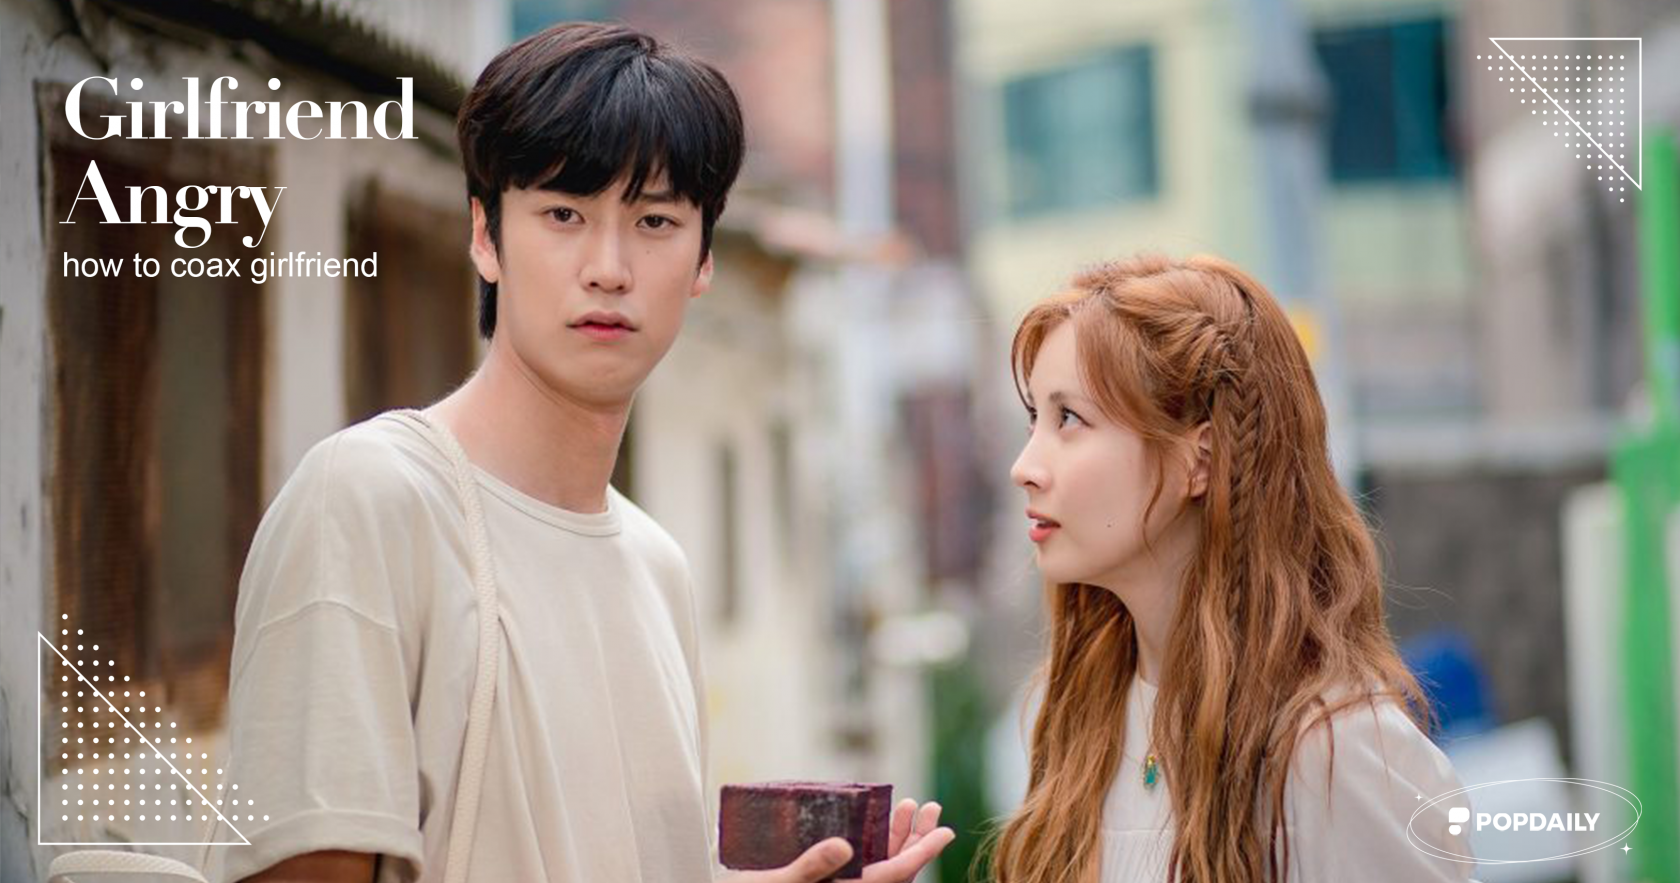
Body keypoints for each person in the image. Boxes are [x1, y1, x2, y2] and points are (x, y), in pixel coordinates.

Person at [210, 22, 954, 883]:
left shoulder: (657, 567)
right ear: (485, 235)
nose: (608, 267)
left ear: (703, 260)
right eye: (564, 214)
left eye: (655, 220)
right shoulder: (369, 500)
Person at [985, 254, 1477, 882]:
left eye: (1070, 419)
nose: (1024, 467)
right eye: (1035, 419)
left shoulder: (1331, 756)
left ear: (1201, 458)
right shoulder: (1083, 721)